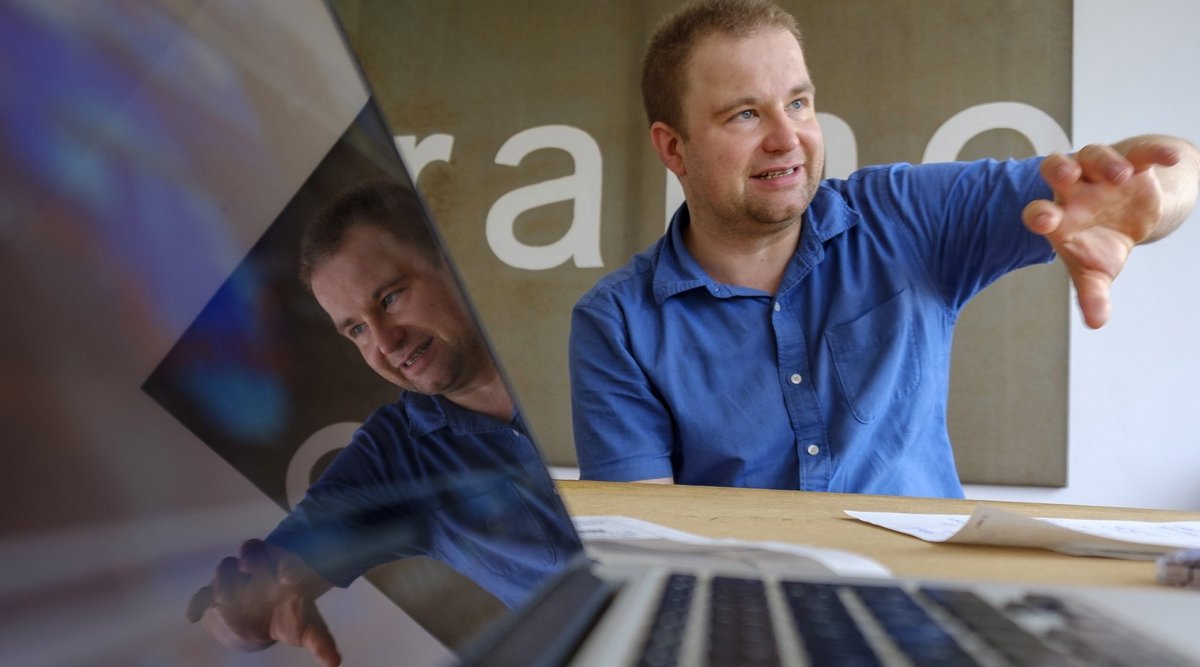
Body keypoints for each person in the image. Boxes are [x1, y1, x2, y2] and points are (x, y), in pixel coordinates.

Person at [569, 0, 1200, 495]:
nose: (788, 138)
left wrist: (1147, 200)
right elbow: (646, 541)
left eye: (798, 102)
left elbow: (1169, 175)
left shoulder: (907, 215)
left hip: (929, 614)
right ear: (673, 147)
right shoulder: (616, 323)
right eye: (745, 115)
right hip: (747, 623)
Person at [186, 181, 578, 666]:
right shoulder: (396, 458)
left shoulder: (584, 322)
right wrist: (240, 617)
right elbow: (278, 575)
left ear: (448, 257)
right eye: (356, 329)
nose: (385, 343)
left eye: (390, 299)